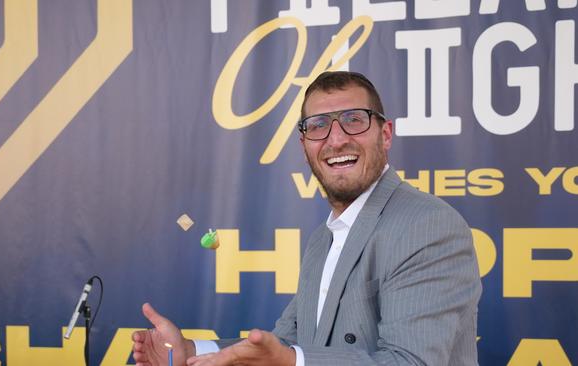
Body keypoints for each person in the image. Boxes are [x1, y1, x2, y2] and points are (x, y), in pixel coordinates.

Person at [132, 71, 482, 365]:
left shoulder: (427, 225)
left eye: (353, 120)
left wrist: (291, 362)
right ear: (304, 145)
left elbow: (410, 362)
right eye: (318, 126)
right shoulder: (321, 240)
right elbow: (282, 343)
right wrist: (191, 351)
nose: (336, 139)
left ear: (385, 133)